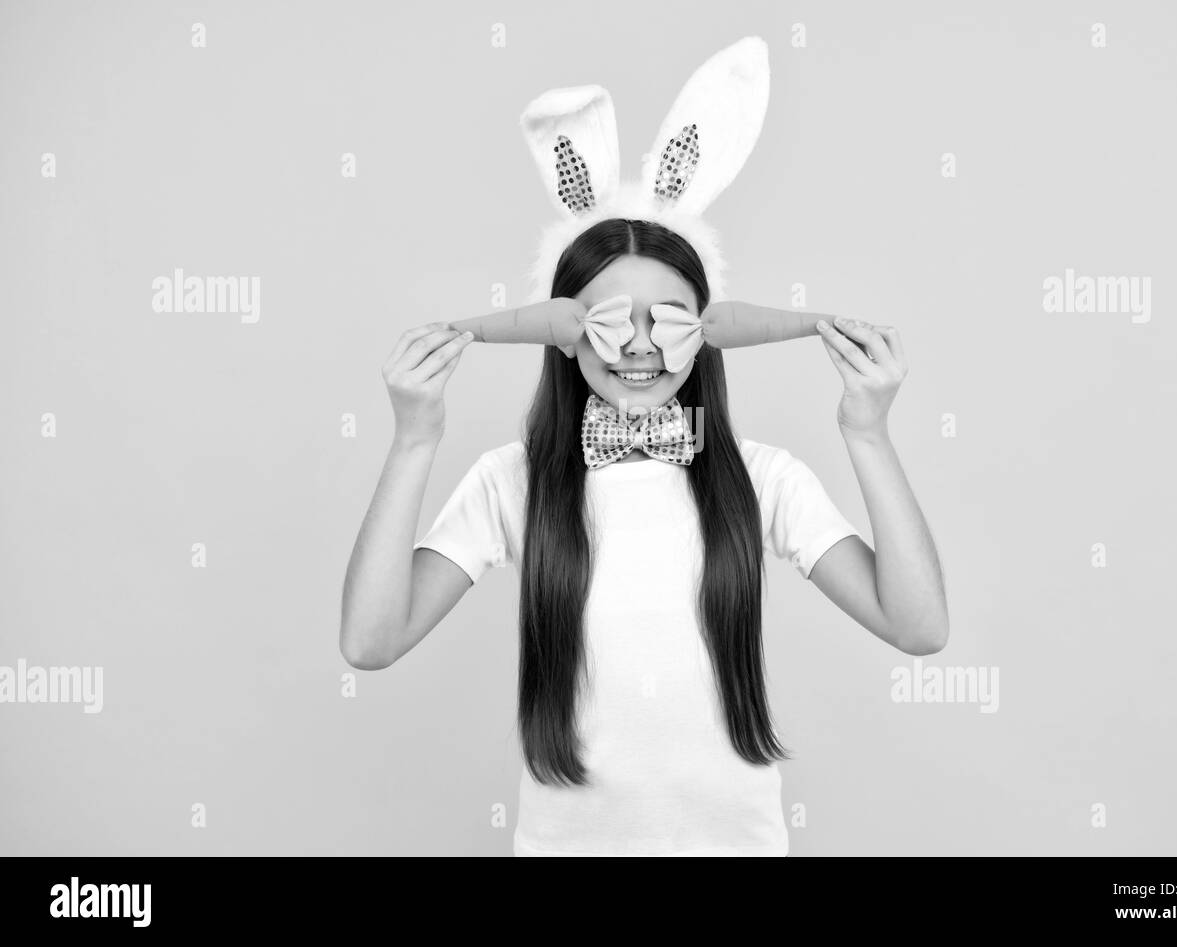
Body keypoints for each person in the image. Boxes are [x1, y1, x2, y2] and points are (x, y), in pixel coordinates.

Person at [340, 37, 948, 857]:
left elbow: (918, 627)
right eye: (602, 318)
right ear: (559, 333)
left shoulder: (760, 479)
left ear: (705, 332)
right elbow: (370, 642)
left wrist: (867, 433)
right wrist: (414, 438)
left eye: (664, 318)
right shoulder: (513, 484)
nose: (636, 347)